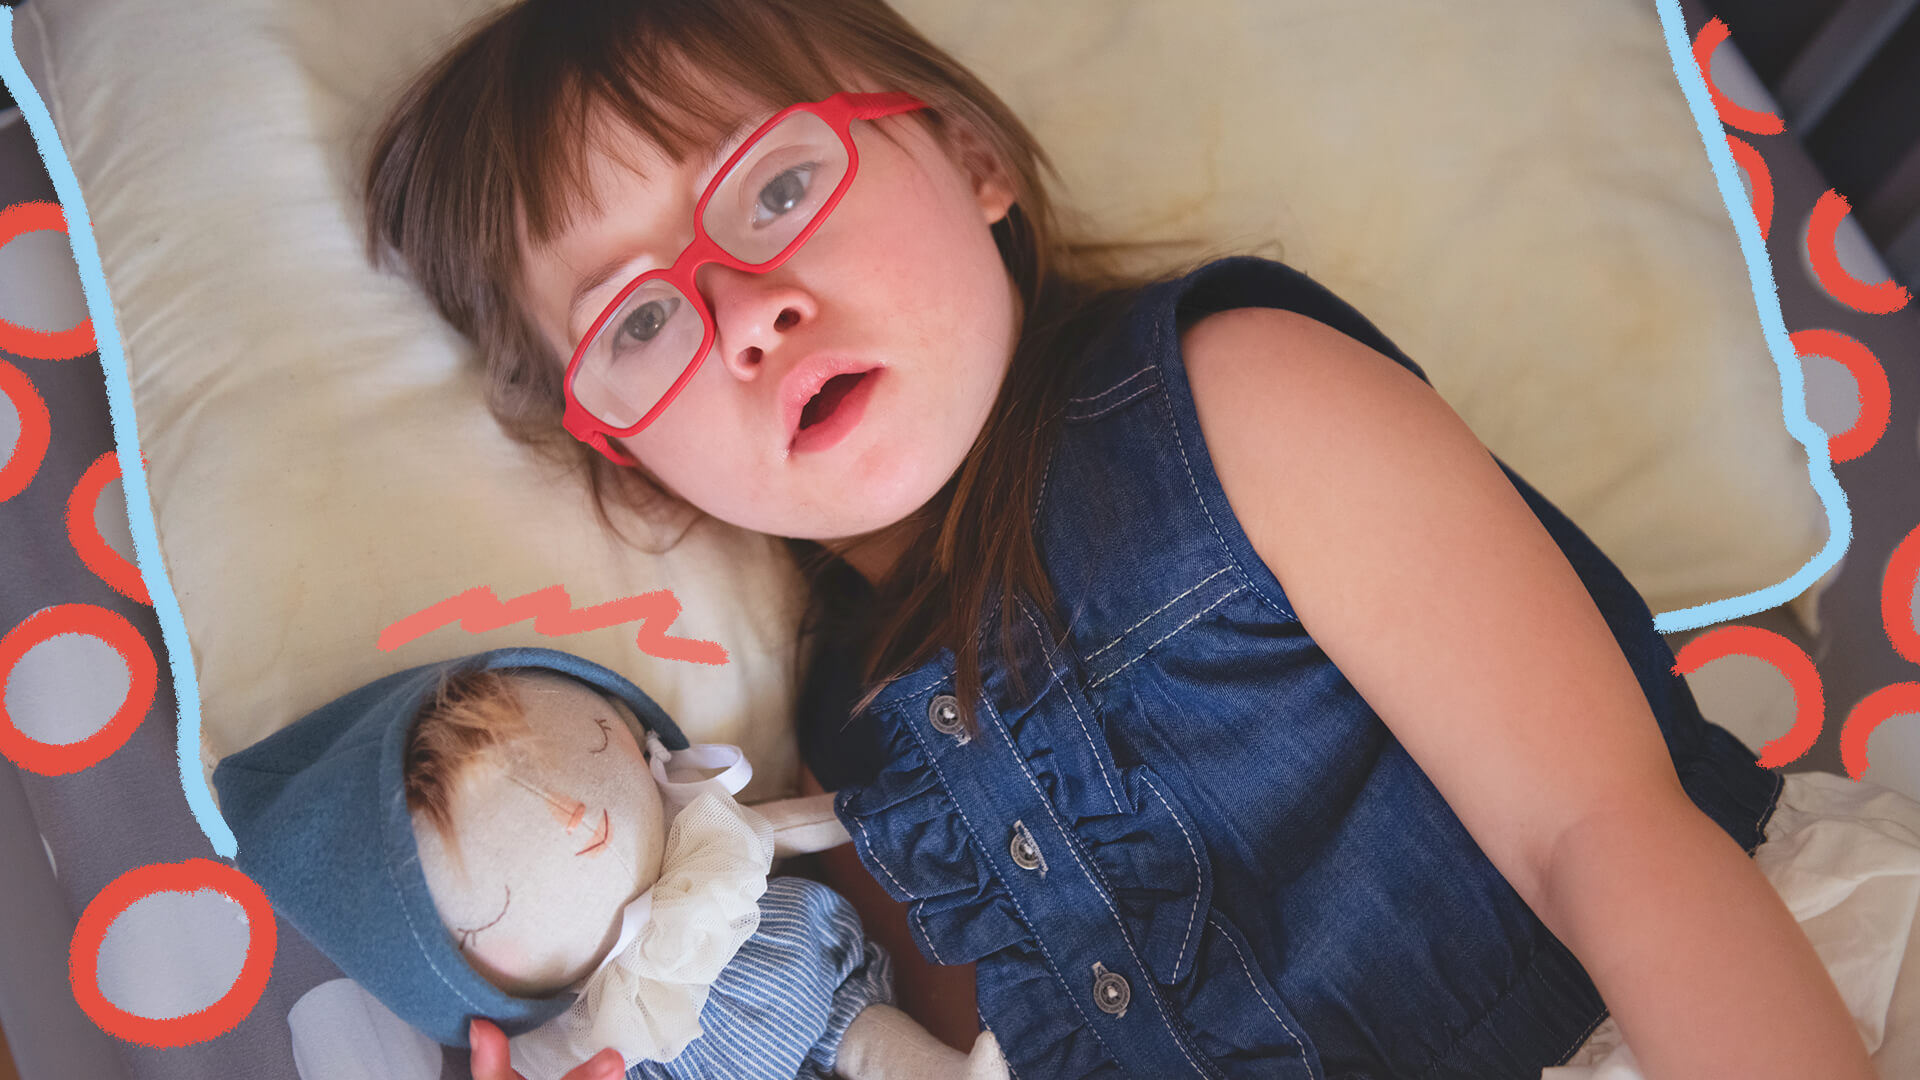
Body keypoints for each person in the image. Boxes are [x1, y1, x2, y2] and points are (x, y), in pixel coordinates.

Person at [357, 1, 1894, 1077]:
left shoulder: (1235, 399)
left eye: (776, 182)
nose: (745, 312)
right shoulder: (847, 756)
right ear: (625, 458)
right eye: (638, 321)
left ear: (971, 159)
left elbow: (1604, 833)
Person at [212, 647, 1009, 1080]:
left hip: (806, 975)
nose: (573, 817)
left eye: (594, 740)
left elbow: (796, 825)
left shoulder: (704, 841)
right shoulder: (579, 1046)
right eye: (494, 894)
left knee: (865, 1036)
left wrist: (870, 811)